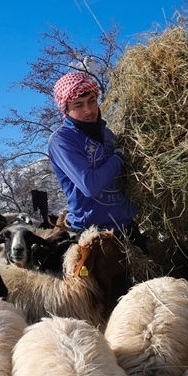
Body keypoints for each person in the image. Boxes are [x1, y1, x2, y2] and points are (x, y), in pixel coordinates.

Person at [47, 71, 147, 253]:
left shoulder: (108, 135)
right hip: (93, 236)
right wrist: (118, 158)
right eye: (79, 105)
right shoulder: (62, 140)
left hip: (126, 228)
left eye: (92, 101)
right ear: (66, 109)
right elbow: (90, 185)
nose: (89, 110)